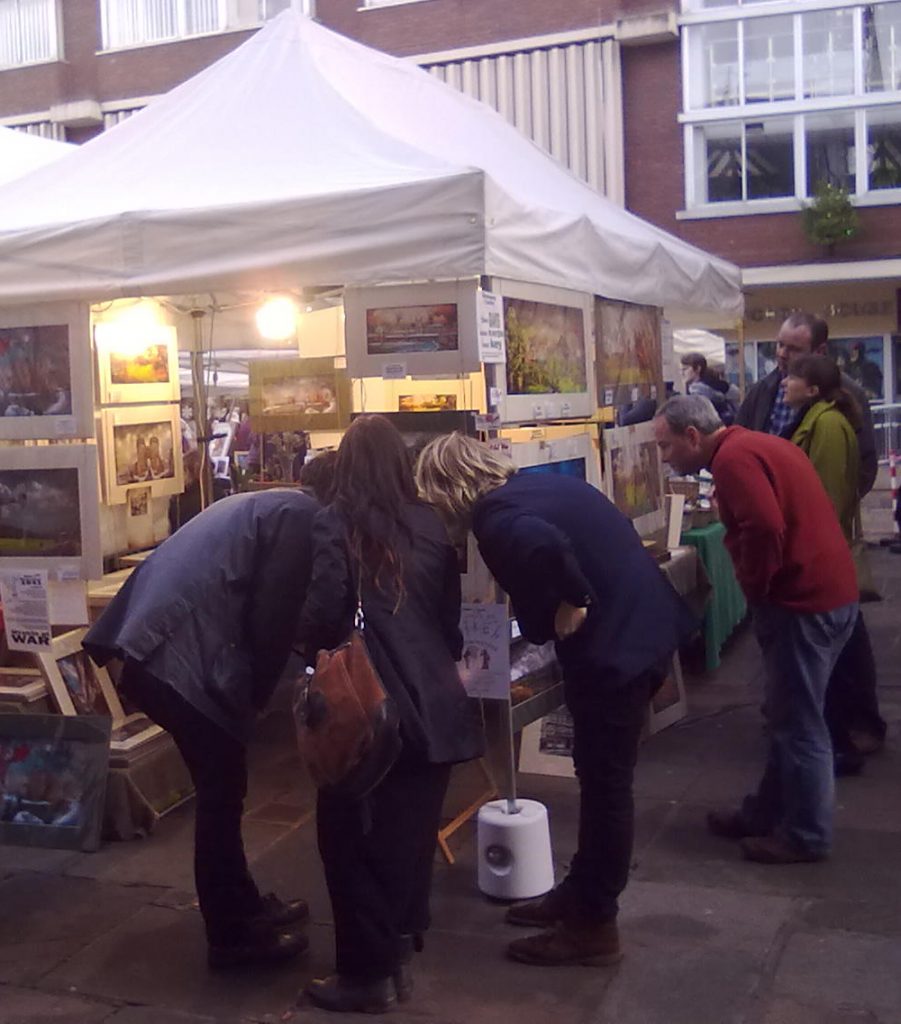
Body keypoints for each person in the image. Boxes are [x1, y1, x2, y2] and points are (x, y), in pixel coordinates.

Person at [416, 433, 696, 967]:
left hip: (616, 652)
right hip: (644, 633)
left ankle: (594, 927)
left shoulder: (496, 518)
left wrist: (575, 598)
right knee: (600, 782)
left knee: (607, 788)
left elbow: (545, 547)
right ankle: (580, 894)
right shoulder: (535, 486)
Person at [83, 488, 324, 969]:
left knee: (224, 789)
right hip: (170, 656)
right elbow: (271, 613)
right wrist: (259, 697)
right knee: (221, 793)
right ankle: (232, 936)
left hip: (155, 648)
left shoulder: (275, 505)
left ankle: (245, 907)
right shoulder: (302, 517)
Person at [295, 414, 482, 1014]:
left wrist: (306, 652)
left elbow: (326, 610)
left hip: (372, 705)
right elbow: (447, 620)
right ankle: (398, 947)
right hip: (436, 702)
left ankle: (367, 975)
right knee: (408, 837)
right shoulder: (429, 522)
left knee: (347, 838)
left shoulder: (336, 519)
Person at [653, 395, 859, 864]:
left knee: (799, 724)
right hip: (827, 595)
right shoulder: (755, 445)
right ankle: (767, 813)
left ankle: (806, 835)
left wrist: (757, 584)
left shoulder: (734, 460)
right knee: (788, 715)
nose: (665, 459)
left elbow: (765, 526)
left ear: (692, 436)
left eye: (666, 447)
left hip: (803, 602)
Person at [783, 355, 886, 772]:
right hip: (826, 554)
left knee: (837, 659)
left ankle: (840, 742)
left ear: (812, 389)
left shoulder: (825, 425)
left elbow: (821, 497)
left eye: (793, 377)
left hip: (822, 557)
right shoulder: (821, 419)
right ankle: (841, 737)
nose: (784, 381)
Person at [736, 312, 877, 497]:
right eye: (780, 345)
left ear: (819, 351)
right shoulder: (761, 390)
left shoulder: (846, 395)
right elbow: (739, 440)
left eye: (794, 349)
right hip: (764, 502)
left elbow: (864, 463)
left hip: (812, 510)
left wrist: (839, 507)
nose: (782, 354)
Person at [680, 353, 736, 424]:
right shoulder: (718, 385)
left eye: (685, 369)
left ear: (698, 368)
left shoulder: (696, 391)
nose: (682, 373)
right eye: (681, 370)